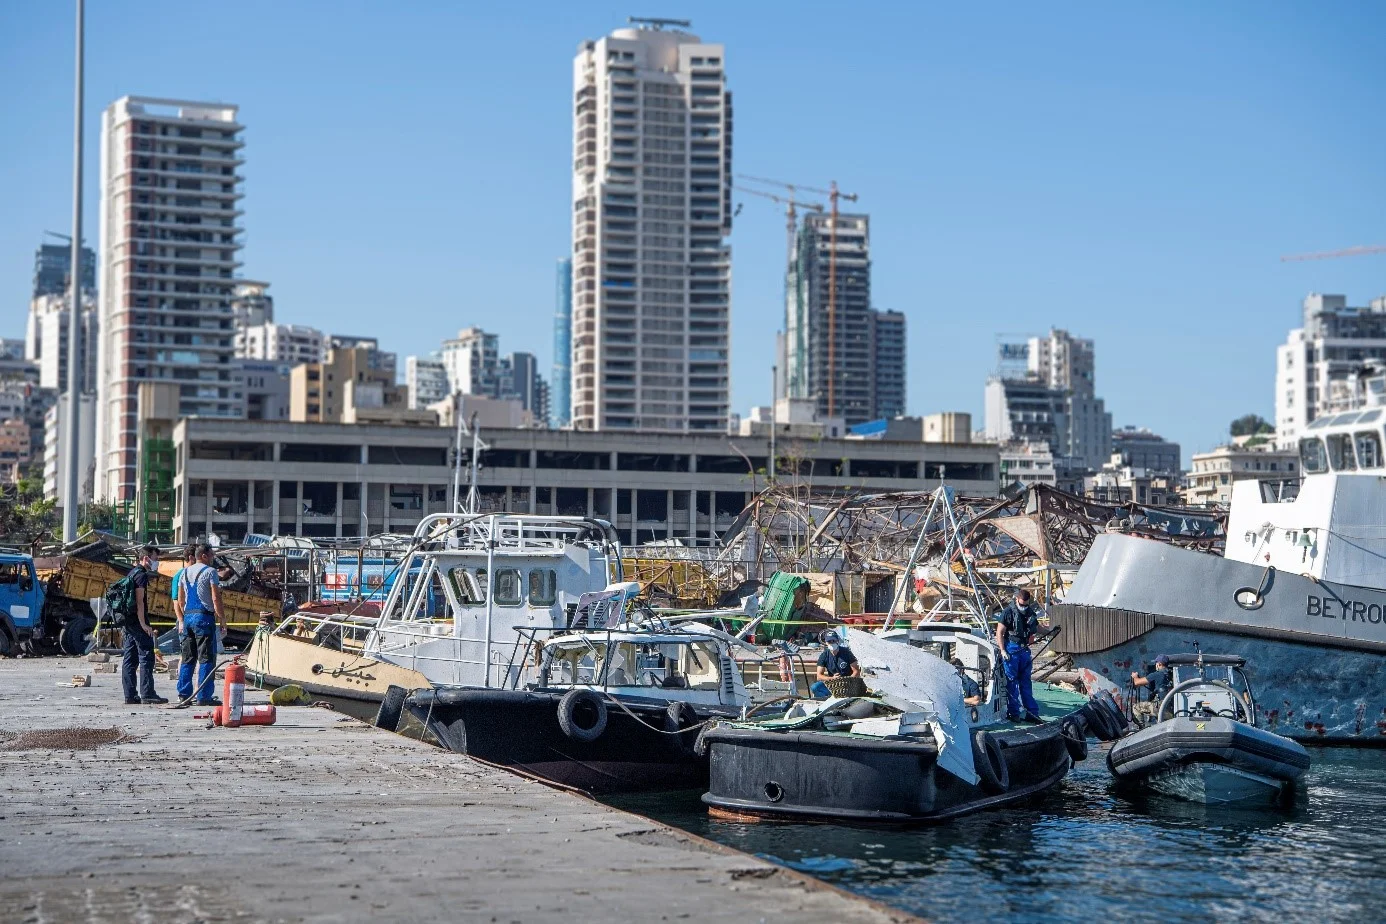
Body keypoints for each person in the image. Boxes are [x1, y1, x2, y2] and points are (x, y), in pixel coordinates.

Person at [175, 543, 227, 706]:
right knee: (206, 658)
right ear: (204, 555)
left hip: (188, 617)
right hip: (204, 618)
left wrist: (184, 617)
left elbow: (180, 599)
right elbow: (215, 598)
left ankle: (184, 694)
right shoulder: (210, 572)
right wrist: (222, 618)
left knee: (188, 658)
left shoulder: (184, 573)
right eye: (211, 555)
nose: (213, 558)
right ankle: (203, 696)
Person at [120, 544, 167, 705]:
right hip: (137, 621)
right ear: (146, 558)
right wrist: (144, 624)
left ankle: (130, 695)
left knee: (130, 658)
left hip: (128, 622)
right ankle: (147, 693)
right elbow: (140, 602)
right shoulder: (141, 575)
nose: (156, 562)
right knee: (146, 656)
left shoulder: (132, 573)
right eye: (155, 558)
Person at [995, 589, 1044, 723]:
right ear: (1017, 600)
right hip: (1012, 649)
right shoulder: (1007, 612)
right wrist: (1003, 650)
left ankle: (1032, 713)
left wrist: (1050, 631)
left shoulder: (1029, 612)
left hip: (1024, 650)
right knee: (1012, 682)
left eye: (1026, 605)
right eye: (1022, 604)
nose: (1024, 607)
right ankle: (1014, 713)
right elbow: (999, 632)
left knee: (1026, 682)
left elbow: (1037, 627)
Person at [811, 630, 860, 698]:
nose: (832, 643)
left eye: (833, 641)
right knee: (815, 687)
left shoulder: (847, 652)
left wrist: (847, 681)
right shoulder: (824, 655)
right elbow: (819, 676)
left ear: (838, 641)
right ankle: (827, 699)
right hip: (833, 683)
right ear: (826, 643)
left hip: (848, 683)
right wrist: (832, 679)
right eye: (829, 641)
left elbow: (856, 671)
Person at [1130, 655, 1171, 724]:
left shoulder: (1157, 674)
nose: (1155, 665)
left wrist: (1135, 676)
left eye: (1156, 663)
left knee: (1136, 707)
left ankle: (1142, 726)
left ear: (1159, 664)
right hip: (1170, 710)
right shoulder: (1170, 674)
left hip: (1161, 709)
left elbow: (1137, 682)